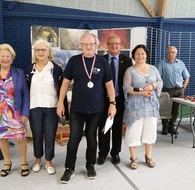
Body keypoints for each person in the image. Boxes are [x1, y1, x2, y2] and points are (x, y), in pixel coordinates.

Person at [57, 32, 116, 184]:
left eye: (92, 44)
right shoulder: (74, 61)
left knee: (91, 138)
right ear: (81, 46)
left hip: (96, 109)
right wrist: (60, 102)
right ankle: (69, 168)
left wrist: (112, 103)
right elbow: (65, 82)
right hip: (77, 108)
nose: (89, 46)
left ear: (96, 45)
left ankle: (90, 165)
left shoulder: (102, 62)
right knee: (74, 139)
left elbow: (109, 84)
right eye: (86, 44)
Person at [0, 44, 30, 177]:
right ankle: (7, 162)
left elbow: (25, 94)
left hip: (16, 113)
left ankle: (24, 162)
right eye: (2, 56)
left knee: (20, 138)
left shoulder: (19, 73)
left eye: (8, 56)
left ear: (12, 58)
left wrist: (25, 112)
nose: (5, 58)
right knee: (2, 137)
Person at [26, 39, 68, 175]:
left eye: (43, 49)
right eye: (37, 50)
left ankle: (49, 161)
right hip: (34, 107)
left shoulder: (56, 69)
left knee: (50, 135)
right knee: (37, 134)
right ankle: (38, 160)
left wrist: (61, 106)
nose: (40, 52)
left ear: (49, 51)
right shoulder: (29, 68)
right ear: (35, 52)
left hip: (51, 107)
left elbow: (62, 88)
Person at [123, 44, 163, 170]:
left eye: (143, 53)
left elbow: (160, 82)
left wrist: (153, 85)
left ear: (146, 55)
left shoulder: (153, 68)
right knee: (134, 131)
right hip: (135, 107)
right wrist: (141, 93)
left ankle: (148, 156)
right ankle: (133, 158)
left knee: (150, 131)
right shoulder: (130, 70)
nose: (140, 56)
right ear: (134, 56)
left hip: (151, 106)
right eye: (137, 54)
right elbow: (126, 88)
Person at [97, 34, 132, 165]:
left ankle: (115, 152)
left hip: (119, 100)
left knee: (117, 127)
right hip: (103, 100)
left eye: (117, 43)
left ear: (121, 45)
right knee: (103, 127)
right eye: (111, 43)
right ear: (107, 45)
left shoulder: (127, 60)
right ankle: (102, 153)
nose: (114, 46)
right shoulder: (101, 60)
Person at [157, 46, 190, 135]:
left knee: (175, 110)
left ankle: (172, 127)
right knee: (165, 109)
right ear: (166, 53)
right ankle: (165, 127)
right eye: (169, 52)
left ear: (176, 53)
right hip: (167, 90)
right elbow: (158, 78)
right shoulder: (161, 63)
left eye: (173, 52)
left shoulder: (181, 63)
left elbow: (186, 77)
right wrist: (159, 89)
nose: (171, 54)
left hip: (179, 90)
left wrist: (183, 87)